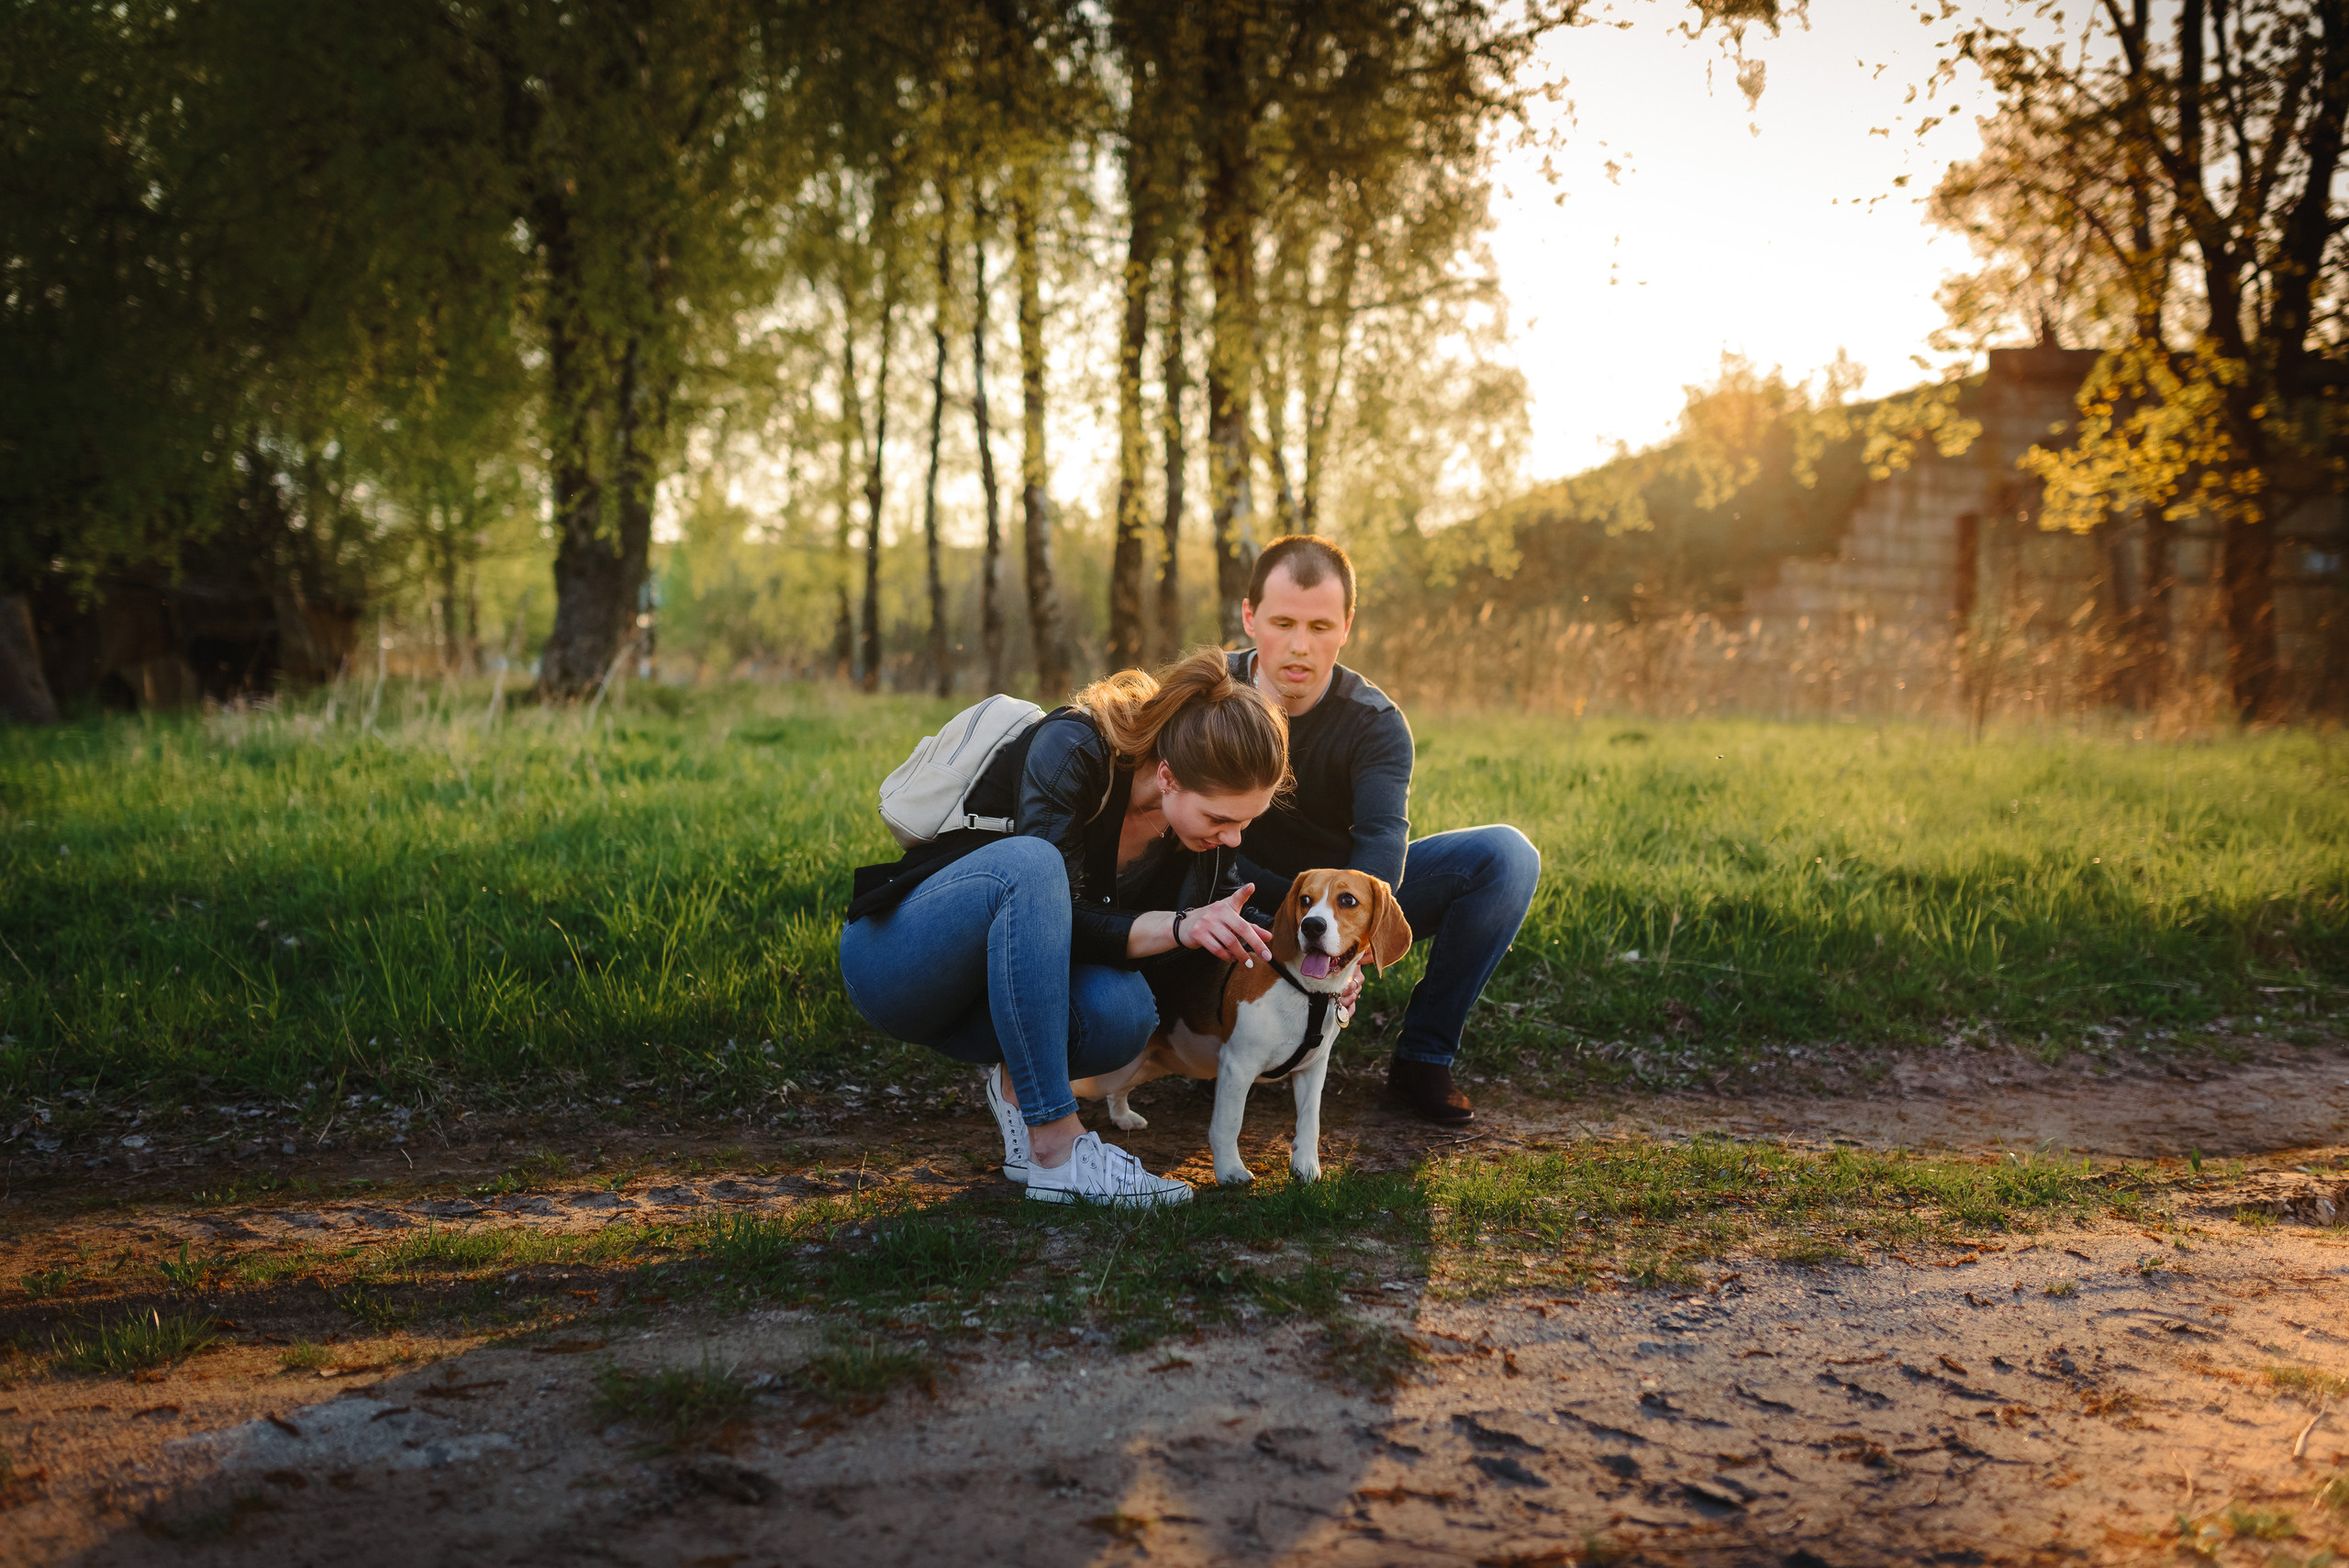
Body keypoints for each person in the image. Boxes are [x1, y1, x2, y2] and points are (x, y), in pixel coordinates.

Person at [841, 648, 1288, 1206]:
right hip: (902, 967)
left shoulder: (1199, 837)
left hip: (1000, 1002)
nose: (1233, 837)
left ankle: (1018, 1086)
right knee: (1035, 865)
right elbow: (1053, 911)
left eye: (1247, 822)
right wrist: (1176, 926)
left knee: (1126, 1012)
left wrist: (1322, 956)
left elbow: (1225, 918)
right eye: (1220, 818)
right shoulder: (1075, 747)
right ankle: (1056, 1148)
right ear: (1168, 776)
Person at [1227, 535, 1541, 1125]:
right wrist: (1284, 926)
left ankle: (1423, 1057)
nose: (1300, 645)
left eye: (1320, 626)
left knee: (1507, 856)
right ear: (1250, 617)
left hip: (1341, 898)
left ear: (1347, 626)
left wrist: (1348, 937)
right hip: (1229, 890)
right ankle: (1211, 1037)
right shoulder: (1211, 696)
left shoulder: (1374, 722)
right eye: (1283, 623)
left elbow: (1379, 848)